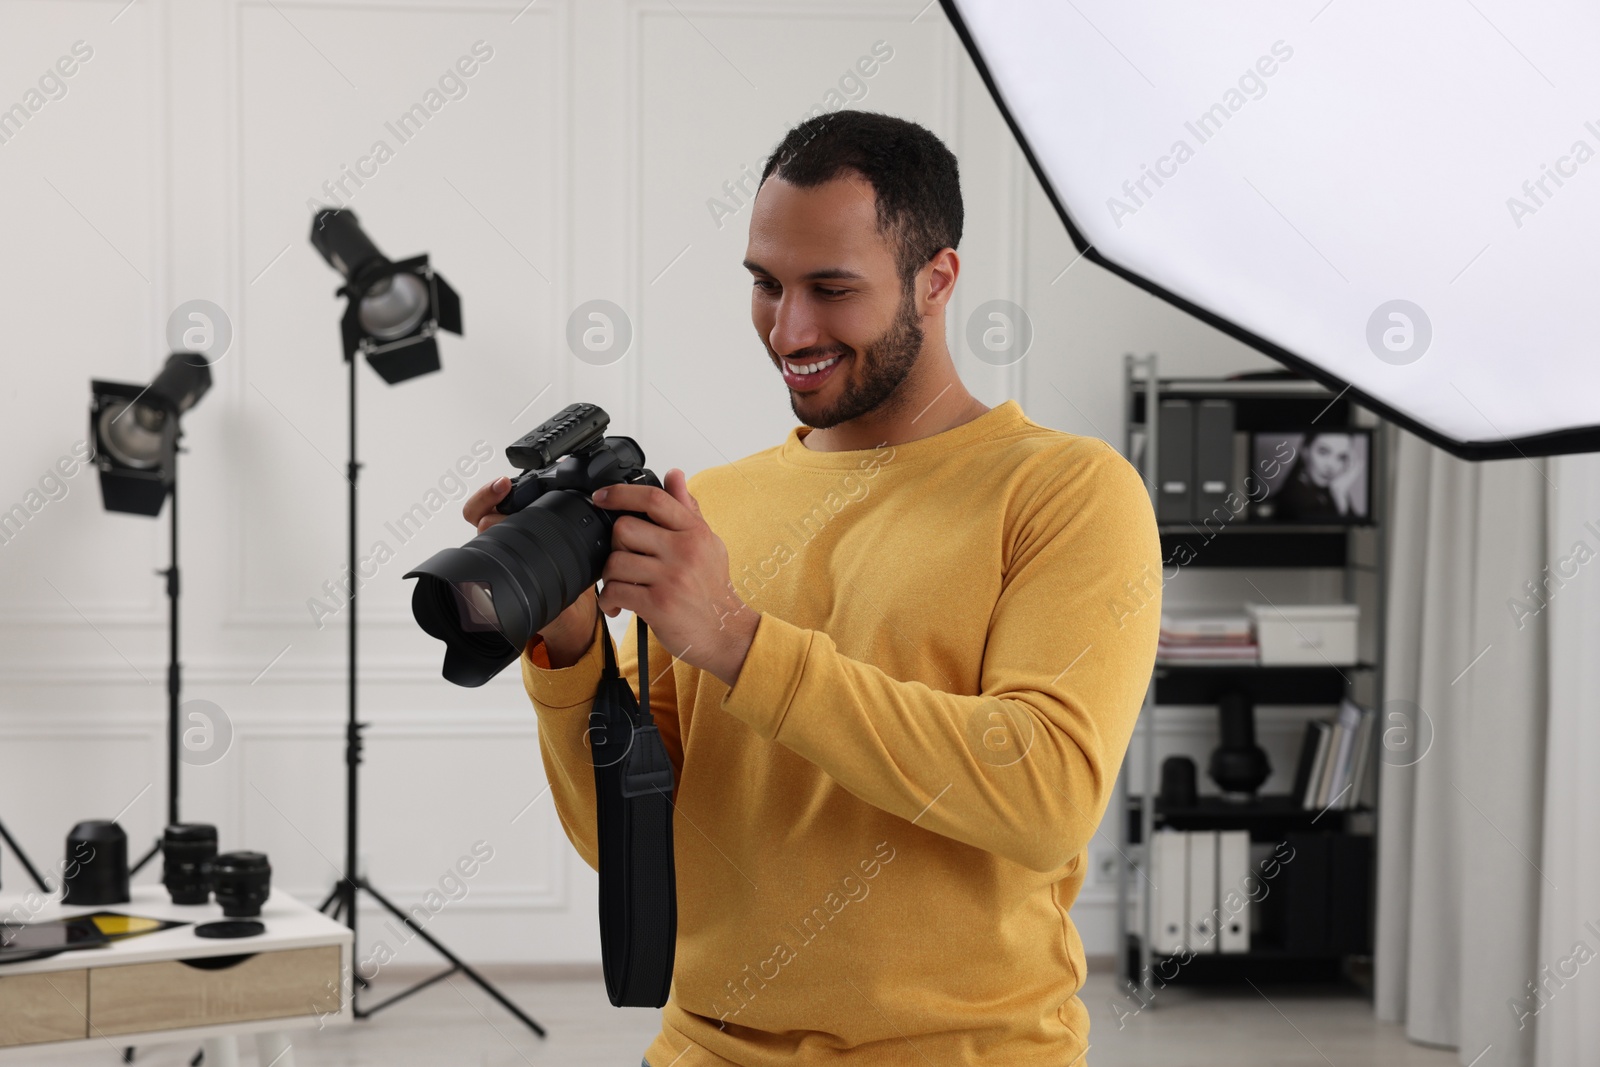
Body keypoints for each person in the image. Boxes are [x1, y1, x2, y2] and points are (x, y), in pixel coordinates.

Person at [463, 110, 1161, 1067]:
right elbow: (625, 845)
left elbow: (1046, 794)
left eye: (832, 289)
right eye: (766, 284)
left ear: (937, 280)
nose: (789, 329)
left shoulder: (1066, 490)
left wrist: (740, 640)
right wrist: (573, 650)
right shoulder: (712, 507)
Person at [1270, 432, 1365, 521]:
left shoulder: (1333, 491)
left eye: (1341, 457)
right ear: (1305, 451)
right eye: (1323, 452)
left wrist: (1339, 493)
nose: (1331, 465)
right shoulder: (1291, 500)